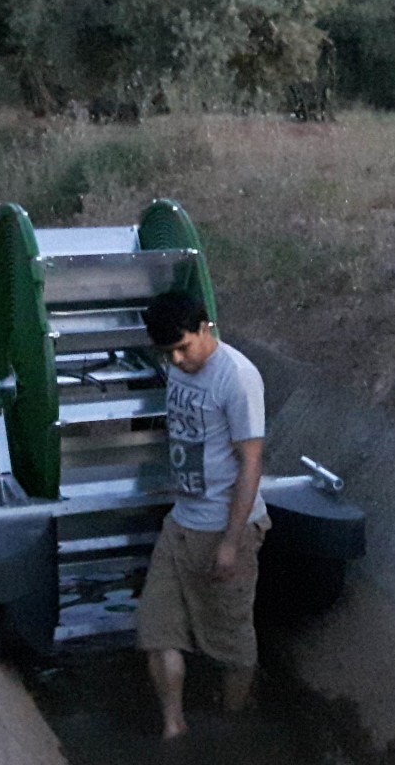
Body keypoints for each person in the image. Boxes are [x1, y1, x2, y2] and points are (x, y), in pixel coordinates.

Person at [137, 290, 271, 740]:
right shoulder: (179, 368)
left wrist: (231, 542)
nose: (177, 360)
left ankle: (235, 725)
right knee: (157, 629)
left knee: (231, 641)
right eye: (167, 352)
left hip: (224, 526)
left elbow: (251, 461)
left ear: (204, 328)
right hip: (181, 522)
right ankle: (173, 726)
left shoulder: (236, 377)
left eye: (183, 347)